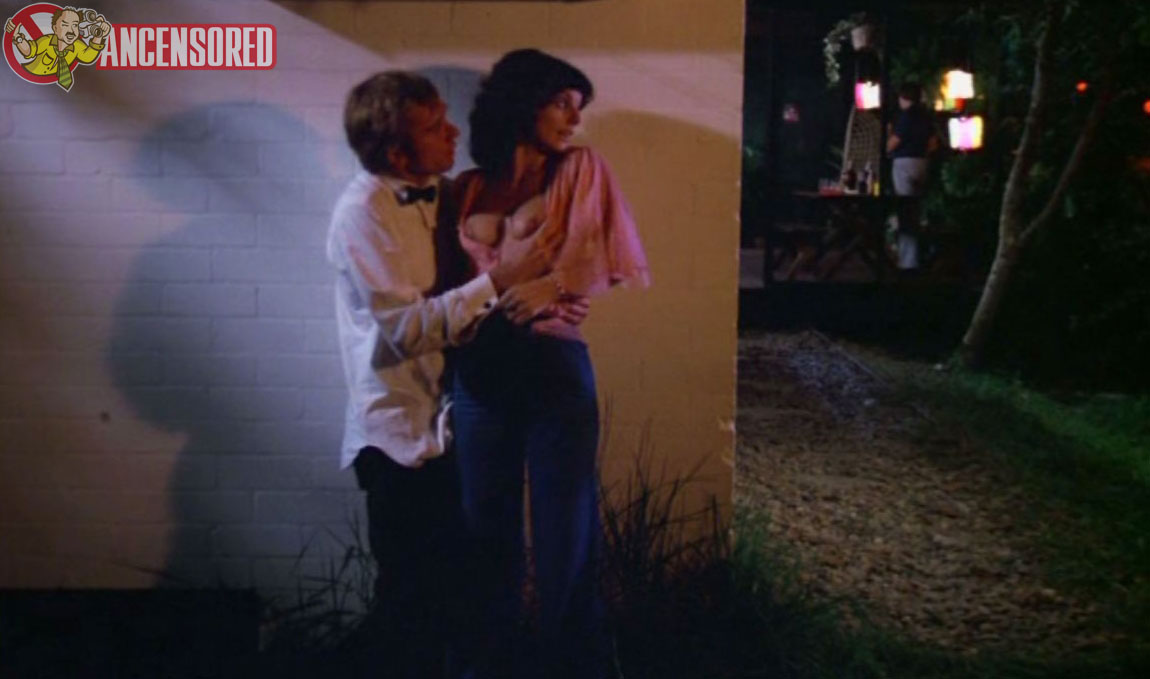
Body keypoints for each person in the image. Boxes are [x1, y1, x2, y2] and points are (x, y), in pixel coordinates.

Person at [327, 70, 573, 678]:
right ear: (397, 154)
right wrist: (501, 279)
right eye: (435, 127)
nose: (453, 132)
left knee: (459, 597)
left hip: (453, 423)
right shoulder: (361, 215)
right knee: (407, 604)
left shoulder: (451, 193)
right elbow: (407, 330)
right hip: (398, 435)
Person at [450, 49, 650, 679]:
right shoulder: (468, 187)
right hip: (479, 372)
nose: (574, 119)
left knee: (567, 537)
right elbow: (446, 291)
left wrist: (555, 285)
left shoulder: (579, 168)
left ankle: (571, 666)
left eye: (578, 107)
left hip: (551, 366)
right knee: (485, 533)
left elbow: (596, 250)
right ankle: (492, 665)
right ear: (523, 99)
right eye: (562, 102)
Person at [886, 81, 939, 272]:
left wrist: (887, 142)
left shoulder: (905, 117)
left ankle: (908, 261)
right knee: (917, 208)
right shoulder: (925, 116)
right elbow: (933, 143)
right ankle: (921, 255)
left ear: (903, 97)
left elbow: (893, 143)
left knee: (905, 209)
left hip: (904, 163)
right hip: (923, 162)